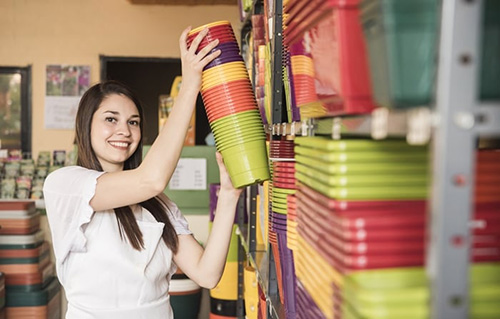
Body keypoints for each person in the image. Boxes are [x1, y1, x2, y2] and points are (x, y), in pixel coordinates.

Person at [43, 26, 242, 319]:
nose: (124, 130)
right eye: (111, 119)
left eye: (134, 122)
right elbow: (149, 179)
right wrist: (190, 86)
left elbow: (207, 274)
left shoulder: (158, 203)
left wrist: (228, 195)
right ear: (85, 125)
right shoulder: (65, 185)